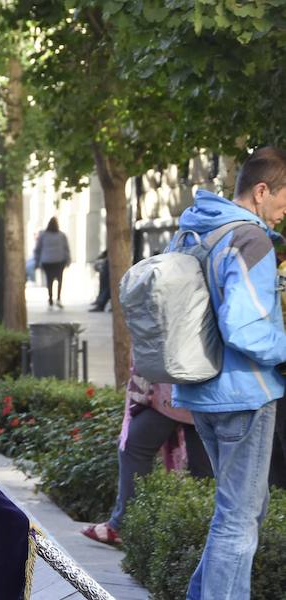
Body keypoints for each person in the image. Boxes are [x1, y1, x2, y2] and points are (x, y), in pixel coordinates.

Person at [172, 147, 286, 600]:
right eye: (283, 200)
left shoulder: (196, 230)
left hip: (201, 389)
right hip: (243, 393)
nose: (285, 211)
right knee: (239, 522)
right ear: (262, 191)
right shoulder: (251, 239)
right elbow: (243, 326)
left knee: (241, 513)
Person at [81, 363, 212, 545]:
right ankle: (202, 533)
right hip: (203, 384)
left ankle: (124, 524)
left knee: (135, 445)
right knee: (204, 464)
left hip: (180, 383)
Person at [34, 216, 70, 308]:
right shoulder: (62, 235)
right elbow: (66, 249)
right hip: (59, 261)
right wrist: (68, 260)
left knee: (49, 280)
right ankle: (58, 298)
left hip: (47, 261)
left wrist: (37, 261)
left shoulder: (43, 235)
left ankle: (50, 298)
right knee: (59, 279)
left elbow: (38, 249)